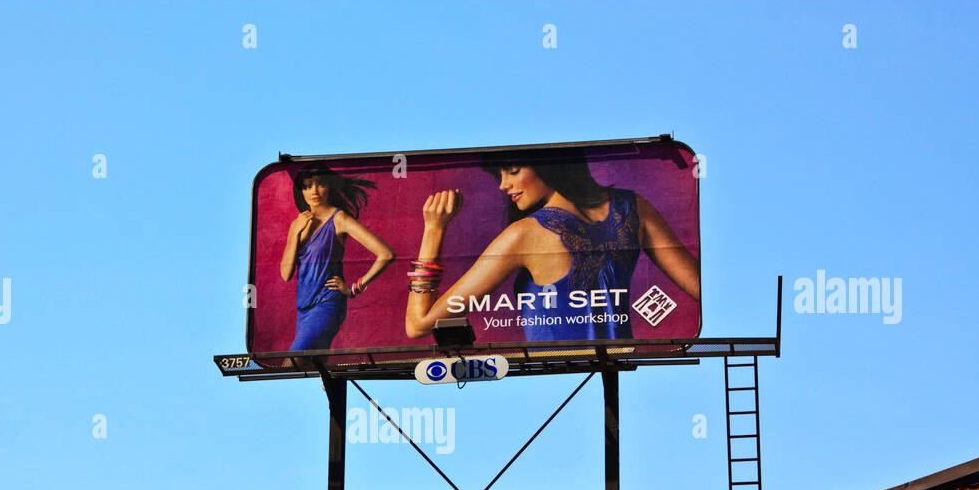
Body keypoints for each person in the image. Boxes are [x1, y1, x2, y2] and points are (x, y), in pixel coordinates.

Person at [404, 149, 700, 342]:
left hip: (552, 376)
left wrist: (433, 229)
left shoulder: (524, 235)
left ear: (551, 168)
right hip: (619, 365)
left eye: (514, 170)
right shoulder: (632, 207)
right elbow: (703, 287)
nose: (503, 185)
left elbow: (418, 324)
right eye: (499, 176)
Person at [281, 163, 394, 351]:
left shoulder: (339, 219)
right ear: (301, 191)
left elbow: (386, 254)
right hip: (303, 309)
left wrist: (354, 288)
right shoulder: (297, 223)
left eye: (320, 184)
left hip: (327, 304)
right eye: (307, 186)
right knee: (315, 366)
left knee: (293, 360)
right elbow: (286, 273)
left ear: (329, 186)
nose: (314, 191)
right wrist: (295, 234)